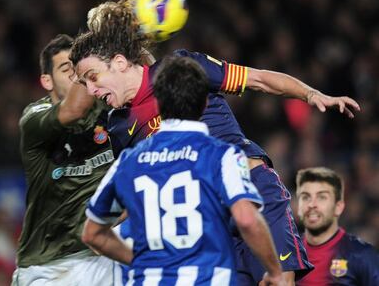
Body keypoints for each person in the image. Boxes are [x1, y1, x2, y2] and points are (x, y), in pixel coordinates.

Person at [69, 0, 360, 284]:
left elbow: (257, 79)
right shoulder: (119, 125)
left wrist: (311, 95)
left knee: (280, 280)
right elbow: (136, 192)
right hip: (204, 221)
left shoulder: (181, 70)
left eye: (93, 77)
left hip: (252, 192)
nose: (92, 90)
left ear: (119, 62)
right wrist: (99, 225)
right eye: (85, 84)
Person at [82, 56, 286, 285]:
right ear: (205, 104)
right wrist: (274, 270)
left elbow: (92, 234)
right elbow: (247, 220)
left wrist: (142, 261)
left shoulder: (129, 161)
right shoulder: (223, 155)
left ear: (158, 105)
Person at [12, 34, 117, 285]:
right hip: (47, 266)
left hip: (100, 257)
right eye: (66, 68)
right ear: (46, 81)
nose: (75, 73)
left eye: (78, 66)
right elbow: (74, 109)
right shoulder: (34, 119)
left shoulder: (110, 112)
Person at [295, 167, 379, 285]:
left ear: (338, 207)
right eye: (306, 197)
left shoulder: (361, 255)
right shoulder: (287, 253)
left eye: (321, 197)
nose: (312, 204)